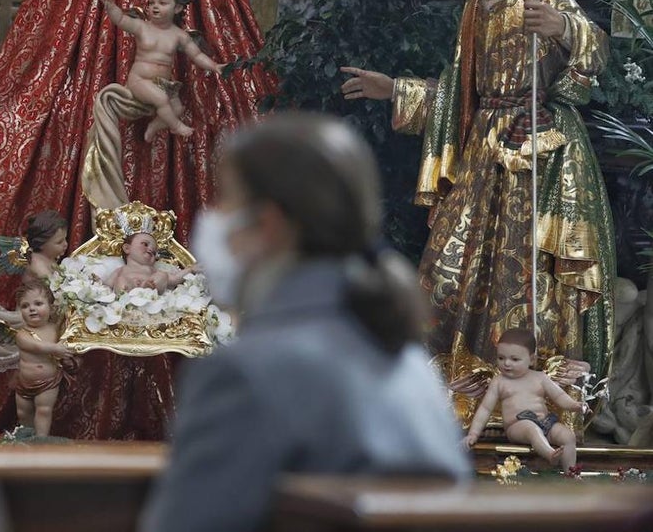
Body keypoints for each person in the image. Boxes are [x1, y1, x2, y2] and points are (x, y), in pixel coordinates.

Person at [340, 0, 615, 418]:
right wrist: (395, 88)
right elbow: (460, 95)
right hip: (483, 152)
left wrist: (563, 28)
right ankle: (459, 386)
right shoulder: (475, 6)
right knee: (448, 267)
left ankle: (532, 398)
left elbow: (597, 53)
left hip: (541, 154)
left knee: (528, 274)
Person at [141, 114, 469, 532]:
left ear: (269, 223)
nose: (213, 220)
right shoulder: (403, 356)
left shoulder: (245, 373)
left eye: (226, 202)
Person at [101, 0, 223, 141]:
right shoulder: (142, 27)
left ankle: (154, 126)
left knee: (177, 108)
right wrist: (110, 5)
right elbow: (121, 20)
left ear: (177, 8)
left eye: (162, 3)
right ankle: (176, 126)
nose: (155, 7)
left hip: (164, 84)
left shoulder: (179, 35)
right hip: (139, 80)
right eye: (152, 3)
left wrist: (215, 66)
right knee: (161, 98)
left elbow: (197, 55)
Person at [465, 328, 587, 470]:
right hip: (517, 426)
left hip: (545, 423)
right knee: (531, 429)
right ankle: (550, 454)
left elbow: (559, 396)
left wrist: (575, 405)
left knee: (568, 436)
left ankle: (570, 472)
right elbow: (485, 409)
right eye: (501, 358)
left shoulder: (540, 378)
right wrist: (473, 433)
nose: (506, 363)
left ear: (532, 360)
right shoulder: (499, 382)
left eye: (514, 359)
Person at [11, 279, 75, 436]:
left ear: (51, 308)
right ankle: (27, 437)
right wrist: (54, 348)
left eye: (38, 304)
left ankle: (41, 440)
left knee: (44, 410)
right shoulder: (22, 334)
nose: (31, 309)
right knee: (23, 412)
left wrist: (66, 356)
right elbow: (36, 346)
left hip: (48, 382)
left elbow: (65, 348)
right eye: (25, 306)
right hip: (24, 382)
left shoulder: (55, 330)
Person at [109, 232, 190, 293]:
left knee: (162, 276)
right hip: (126, 297)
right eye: (145, 244)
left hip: (150, 296)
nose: (150, 249)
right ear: (127, 248)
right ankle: (126, 291)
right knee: (121, 279)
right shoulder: (122, 270)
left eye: (154, 253)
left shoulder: (153, 271)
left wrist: (191, 269)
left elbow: (175, 279)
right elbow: (107, 285)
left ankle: (148, 288)